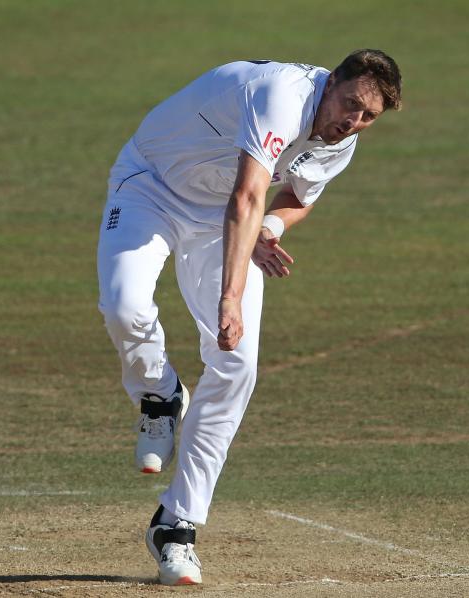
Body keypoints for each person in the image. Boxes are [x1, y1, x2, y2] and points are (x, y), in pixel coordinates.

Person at [97, 49, 402, 585]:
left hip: (225, 220)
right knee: (124, 306)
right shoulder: (282, 96)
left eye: (368, 117)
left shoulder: (342, 142)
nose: (352, 122)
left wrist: (273, 229)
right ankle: (158, 392)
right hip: (151, 185)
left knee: (236, 365)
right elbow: (247, 195)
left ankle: (176, 526)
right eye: (350, 105)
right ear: (331, 83)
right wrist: (230, 299)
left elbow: (294, 198)